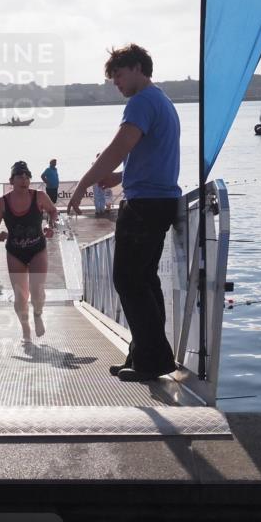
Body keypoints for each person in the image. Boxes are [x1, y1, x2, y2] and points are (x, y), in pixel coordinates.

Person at [67, 43, 180, 382]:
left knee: (128, 280)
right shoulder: (162, 101)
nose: (115, 82)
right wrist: (118, 178)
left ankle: (152, 359)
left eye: (118, 74)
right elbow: (143, 155)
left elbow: (119, 146)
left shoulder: (142, 102)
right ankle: (147, 354)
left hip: (144, 205)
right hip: (160, 201)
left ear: (137, 68)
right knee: (144, 280)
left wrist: (83, 184)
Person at [0, 161, 58, 343]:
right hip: (15, 252)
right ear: (11, 180)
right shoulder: (2, 202)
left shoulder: (40, 196)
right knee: (20, 296)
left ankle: (37, 313)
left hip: (37, 248)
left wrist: (50, 226)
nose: (24, 179)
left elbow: (53, 211)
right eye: (20, 176)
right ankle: (26, 330)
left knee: (37, 292)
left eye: (27, 176)